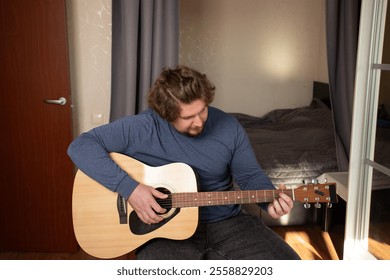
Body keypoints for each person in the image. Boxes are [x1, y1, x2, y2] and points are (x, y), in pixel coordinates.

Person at [67, 65, 301, 260]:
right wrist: (131, 189)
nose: (199, 122)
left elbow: (250, 176)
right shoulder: (142, 127)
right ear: (166, 114)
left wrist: (269, 201)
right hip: (165, 231)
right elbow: (80, 146)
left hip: (228, 223)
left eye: (203, 110)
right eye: (188, 117)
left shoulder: (229, 126)